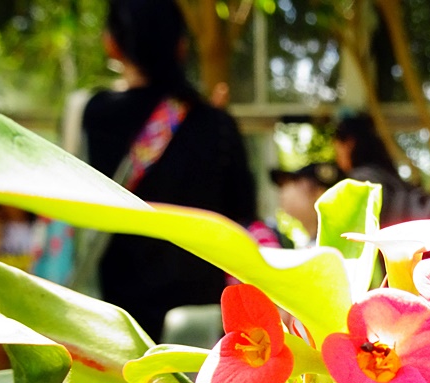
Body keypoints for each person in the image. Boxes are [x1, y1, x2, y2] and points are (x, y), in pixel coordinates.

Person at [80, 0, 258, 341]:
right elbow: (244, 214)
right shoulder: (217, 125)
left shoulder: (95, 116)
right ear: (181, 45)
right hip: (202, 324)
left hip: (119, 321)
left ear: (112, 44)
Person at [333, 112, 430, 227]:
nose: (337, 159)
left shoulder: (360, 181)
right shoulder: (389, 178)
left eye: (337, 152)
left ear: (349, 145)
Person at [269, 162, 345, 243]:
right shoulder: (312, 244)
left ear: (319, 193)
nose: (283, 191)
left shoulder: (341, 242)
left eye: (293, 181)